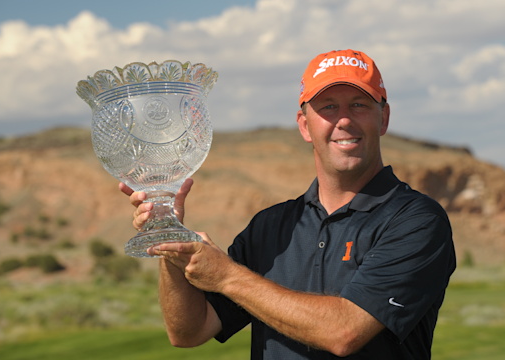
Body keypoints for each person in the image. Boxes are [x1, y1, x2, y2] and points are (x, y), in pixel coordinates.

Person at [120, 49, 456, 359]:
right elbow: (189, 331)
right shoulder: (270, 226)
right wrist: (169, 238)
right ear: (304, 126)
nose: (344, 120)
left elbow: (345, 332)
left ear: (382, 119)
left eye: (359, 104)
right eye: (328, 107)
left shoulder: (417, 220)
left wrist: (226, 276)